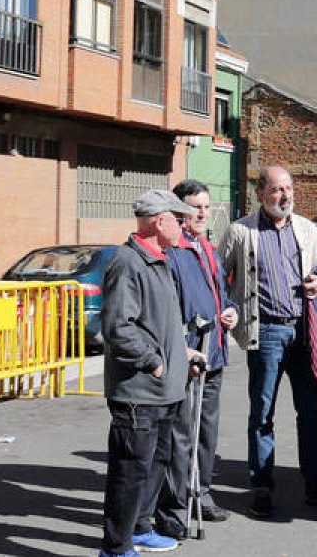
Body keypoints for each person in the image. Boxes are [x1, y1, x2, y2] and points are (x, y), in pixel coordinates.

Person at [217, 165, 317, 518]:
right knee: (262, 413)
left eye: (289, 188)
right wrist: (229, 311)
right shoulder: (240, 232)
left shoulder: (305, 228)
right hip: (267, 331)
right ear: (260, 194)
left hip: (304, 331)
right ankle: (261, 487)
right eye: (276, 189)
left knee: (310, 412)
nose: (285, 195)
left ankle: (315, 486)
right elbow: (218, 277)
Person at [99, 189, 206, 557]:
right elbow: (118, 327)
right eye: (178, 219)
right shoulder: (129, 262)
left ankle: (141, 529)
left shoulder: (158, 259)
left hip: (164, 391)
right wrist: (154, 361)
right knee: (130, 472)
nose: (184, 225)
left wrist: (181, 353)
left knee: (155, 465)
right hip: (139, 393)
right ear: (160, 221)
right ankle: (115, 547)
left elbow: (159, 324)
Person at [153, 180, 240, 538]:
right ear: (179, 210)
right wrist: (181, 350)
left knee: (207, 433)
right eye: (195, 207)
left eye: (206, 206)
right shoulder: (173, 251)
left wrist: (231, 311)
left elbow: (222, 295)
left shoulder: (208, 248)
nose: (202, 213)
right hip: (188, 357)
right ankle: (177, 501)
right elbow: (169, 310)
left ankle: (201, 491)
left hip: (214, 353)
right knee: (181, 435)